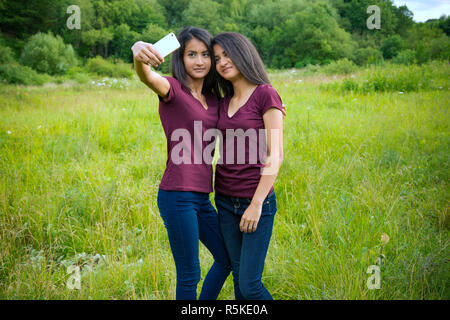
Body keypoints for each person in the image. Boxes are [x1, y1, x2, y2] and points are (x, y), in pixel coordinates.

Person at [131, 27, 231, 300]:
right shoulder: (172, 89)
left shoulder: (215, 100)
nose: (199, 61)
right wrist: (138, 49)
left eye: (205, 54)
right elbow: (147, 76)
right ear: (180, 58)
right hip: (176, 195)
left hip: (202, 196)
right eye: (191, 54)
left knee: (227, 258)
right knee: (189, 272)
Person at [212, 32, 284, 300]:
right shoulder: (222, 101)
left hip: (256, 202)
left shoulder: (266, 94)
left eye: (227, 54)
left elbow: (275, 155)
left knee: (250, 285)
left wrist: (255, 204)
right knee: (239, 280)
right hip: (225, 201)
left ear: (243, 53)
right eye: (217, 58)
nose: (222, 62)